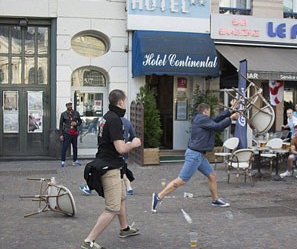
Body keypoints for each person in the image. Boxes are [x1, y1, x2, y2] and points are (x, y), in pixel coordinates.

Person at [81, 89, 142, 249]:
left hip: (110, 164)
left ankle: (124, 228)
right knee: (112, 208)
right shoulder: (115, 120)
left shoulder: (105, 117)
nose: (126, 104)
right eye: (125, 101)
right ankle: (89, 241)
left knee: (121, 198)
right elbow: (121, 148)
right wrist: (134, 143)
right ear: (120, 102)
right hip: (110, 168)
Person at [151, 103, 239, 213]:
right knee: (182, 180)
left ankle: (215, 200)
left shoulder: (200, 118)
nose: (210, 113)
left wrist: (229, 111)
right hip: (194, 155)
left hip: (199, 155)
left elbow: (215, 120)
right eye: (209, 111)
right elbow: (217, 126)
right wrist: (231, 118)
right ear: (206, 110)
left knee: (212, 176)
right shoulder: (202, 119)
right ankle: (158, 197)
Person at [59, 101, 83, 167]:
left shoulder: (76, 113)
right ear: (66, 106)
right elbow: (61, 124)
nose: (69, 106)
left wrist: (76, 124)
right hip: (67, 132)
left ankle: (75, 160)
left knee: (75, 147)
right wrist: (61, 134)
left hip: (74, 132)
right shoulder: (63, 114)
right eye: (68, 105)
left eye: (70, 105)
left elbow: (80, 121)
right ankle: (63, 161)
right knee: (65, 146)